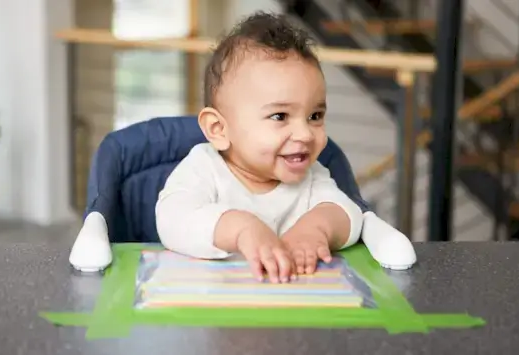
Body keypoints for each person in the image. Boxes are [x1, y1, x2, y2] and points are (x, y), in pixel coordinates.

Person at [155, 12, 363, 283]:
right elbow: (172, 220)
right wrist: (241, 229)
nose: (304, 134)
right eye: (280, 116)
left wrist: (316, 228)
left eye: (315, 116)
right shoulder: (204, 168)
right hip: (217, 309)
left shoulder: (312, 175)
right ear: (219, 129)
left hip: (291, 309)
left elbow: (350, 214)